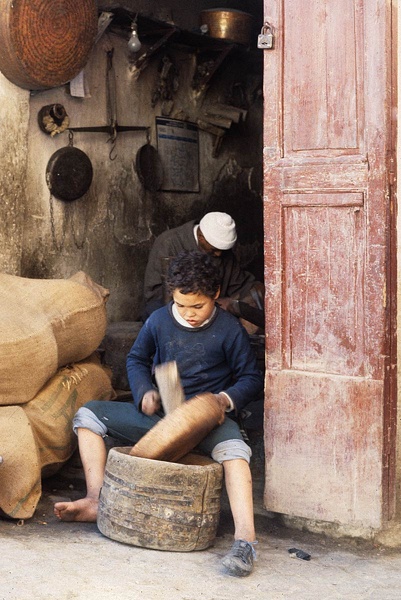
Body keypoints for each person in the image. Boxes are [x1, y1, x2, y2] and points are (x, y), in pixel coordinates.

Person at [54, 250, 264, 578]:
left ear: (216, 295)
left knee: (237, 454)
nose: (189, 314)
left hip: (211, 420)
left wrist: (223, 400)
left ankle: (244, 541)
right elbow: (137, 359)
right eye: (181, 304)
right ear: (172, 296)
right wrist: (144, 392)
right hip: (161, 418)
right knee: (88, 417)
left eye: (198, 306)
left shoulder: (229, 330)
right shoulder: (159, 321)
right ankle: (96, 500)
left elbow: (251, 377)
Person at [142, 211, 263, 332]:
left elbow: (240, 285)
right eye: (214, 249)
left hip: (214, 314)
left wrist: (241, 299)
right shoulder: (168, 243)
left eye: (222, 250)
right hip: (176, 312)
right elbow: (154, 293)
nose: (219, 254)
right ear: (201, 237)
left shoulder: (223, 252)